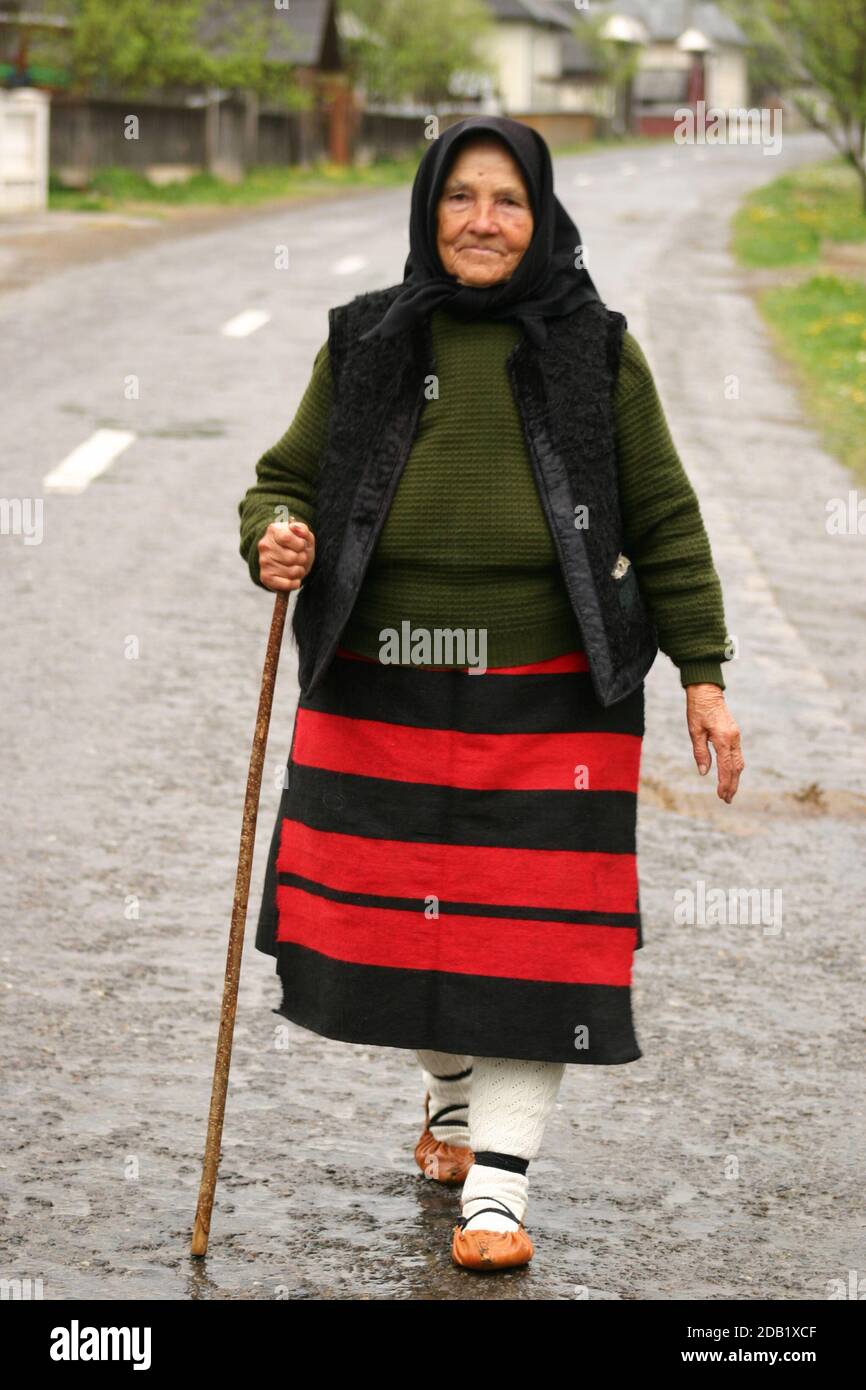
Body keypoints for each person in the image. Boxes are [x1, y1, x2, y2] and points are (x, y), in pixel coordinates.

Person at [237, 115, 744, 1273]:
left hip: (554, 701)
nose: (481, 221)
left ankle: (498, 1197)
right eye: (459, 198)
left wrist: (703, 675)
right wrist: (275, 532)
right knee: (399, 942)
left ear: (541, 216)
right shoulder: (365, 339)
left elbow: (663, 517)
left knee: (530, 950)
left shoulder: (594, 350)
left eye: (506, 201)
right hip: (381, 688)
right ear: (427, 212)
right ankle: (450, 1097)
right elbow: (283, 479)